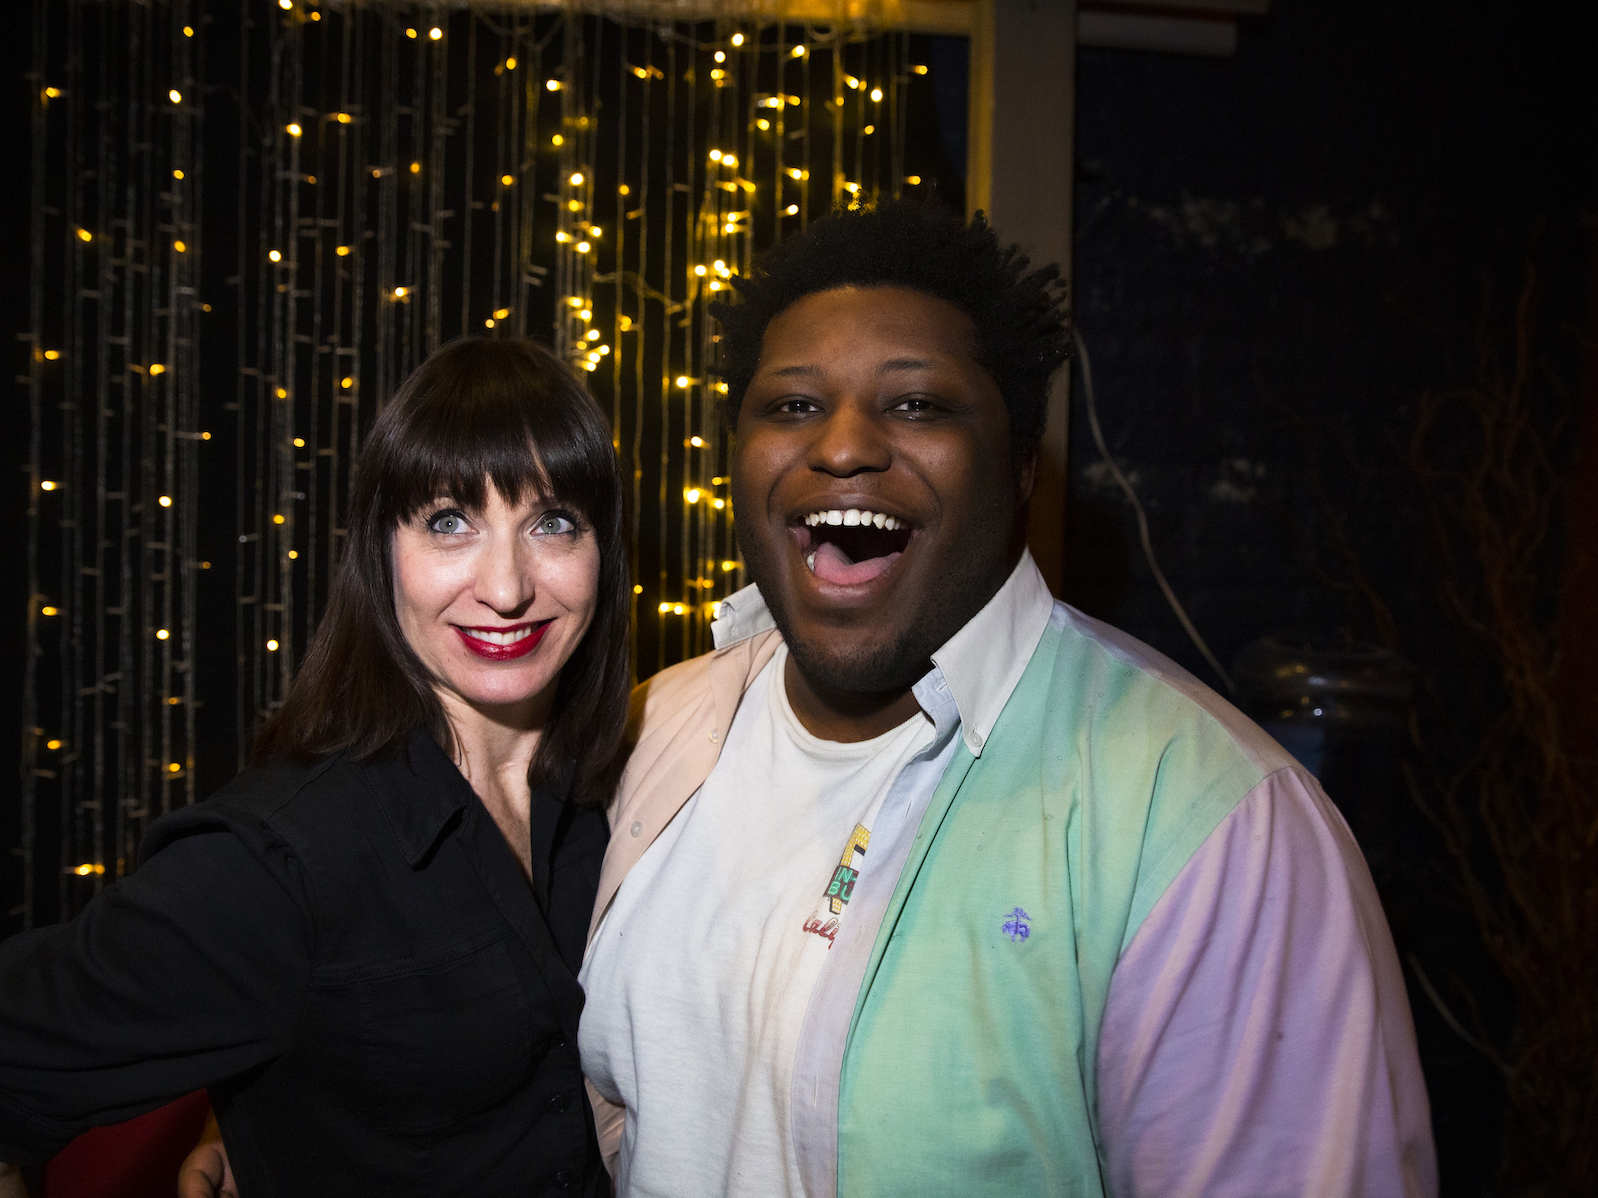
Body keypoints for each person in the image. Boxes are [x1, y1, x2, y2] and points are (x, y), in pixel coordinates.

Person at [578, 200, 1438, 1197]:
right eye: (793, 405)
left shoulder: (1217, 826)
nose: (843, 445)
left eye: (916, 404)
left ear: (1022, 464)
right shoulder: (654, 729)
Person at [0, 337, 629, 1196]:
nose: (508, 586)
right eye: (450, 522)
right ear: (382, 551)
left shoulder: (624, 791)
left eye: (553, 523)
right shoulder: (277, 862)